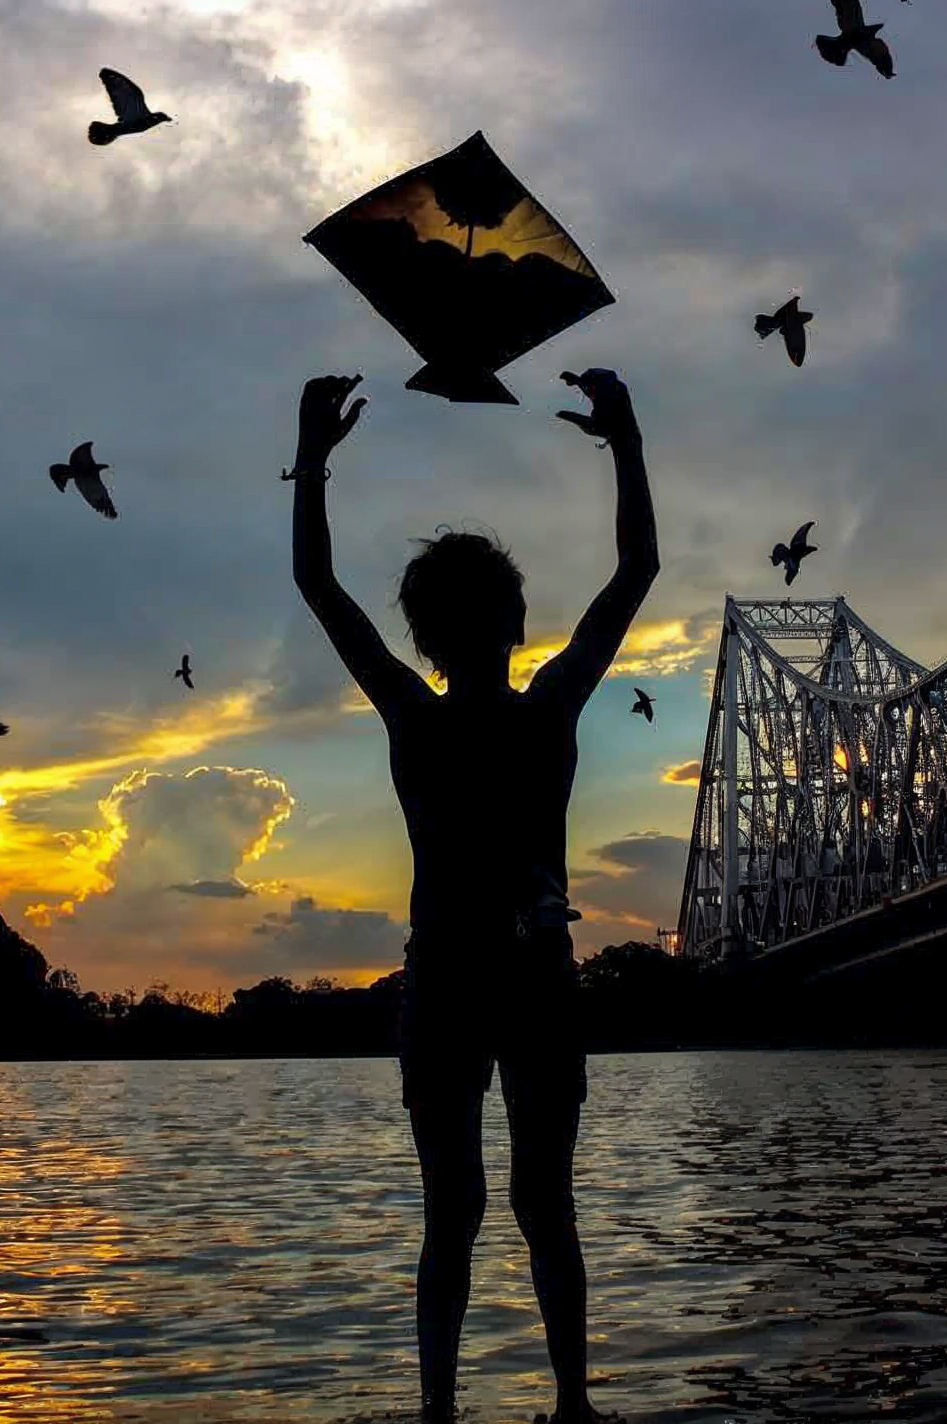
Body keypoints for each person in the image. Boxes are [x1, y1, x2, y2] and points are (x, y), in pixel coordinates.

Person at [288, 368, 657, 1423]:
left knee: (455, 1207)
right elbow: (638, 568)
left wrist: (313, 455)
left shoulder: (414, 713)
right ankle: (574, 1404)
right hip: (531, 975)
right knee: (547, 1204)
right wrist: (624, 441)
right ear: (518, 616)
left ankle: (441, 1408)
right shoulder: (549, 708)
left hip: (447, 975)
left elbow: (318, 585)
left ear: (422, 636)